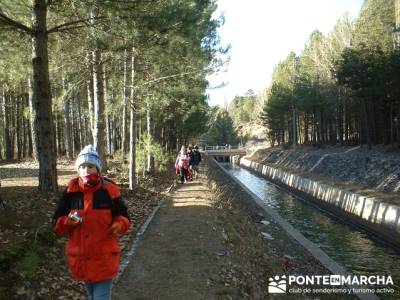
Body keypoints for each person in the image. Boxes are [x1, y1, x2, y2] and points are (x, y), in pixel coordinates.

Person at [53, 145, 130, 300]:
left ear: (98, 169)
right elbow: (57, 224)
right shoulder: (70, 192)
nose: (86, 170)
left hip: (104, 259)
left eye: (90, 166)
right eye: (82, 166)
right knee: (91, 295)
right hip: (82, 259)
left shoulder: (110, 190)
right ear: (77, 169)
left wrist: (119, 224)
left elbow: (124, 216)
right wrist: (68, 222)